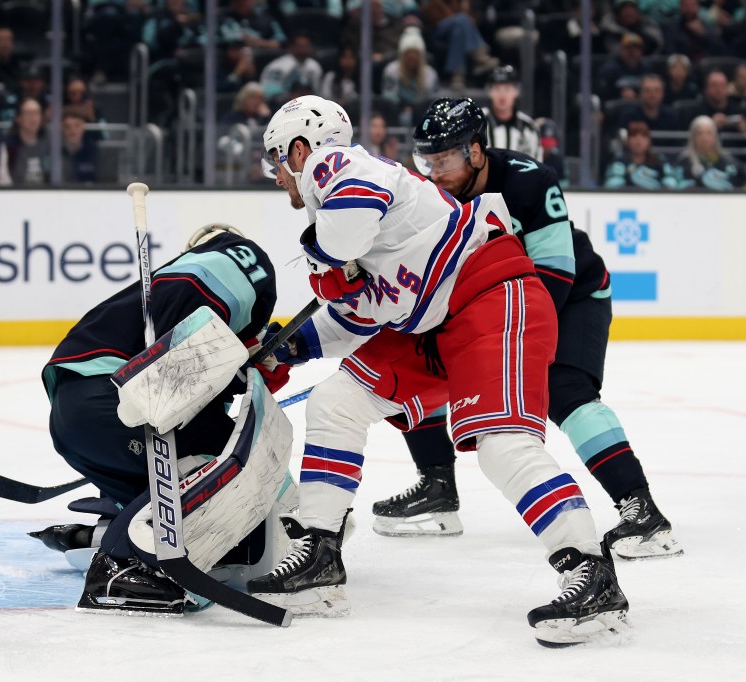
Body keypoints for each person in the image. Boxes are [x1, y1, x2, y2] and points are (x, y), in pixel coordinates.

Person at [252, 95, 630, 646]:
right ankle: (321, 558)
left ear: (300, 149)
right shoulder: (333, 206)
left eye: (277, 162)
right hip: (435, 321)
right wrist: (285, 348)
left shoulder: (339, 168)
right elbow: (358, 318)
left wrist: (324, 260)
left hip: (490, 295)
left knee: (503, 446)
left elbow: (345, 239)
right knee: (336, 402)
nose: (278, 177)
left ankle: (592, 575)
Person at [371, 97, 682, 564]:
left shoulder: (528, 179)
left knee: (565, 389)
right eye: (426, 161)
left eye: (445, 160)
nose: (434, 173)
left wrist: (514, 339)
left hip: (572, 295)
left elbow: (556, 273)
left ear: (476, 151)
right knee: (415, 358)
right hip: (489, 300)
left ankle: (642, 511)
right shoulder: (429, 192)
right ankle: (437, 486)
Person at [39, 224, 286, 616]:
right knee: (227, 457)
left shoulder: (167, 285)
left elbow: (182, 372)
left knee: (190, 455)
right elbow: (187, 391)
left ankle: (117, 524)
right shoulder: (248, 280)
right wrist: (243, 368)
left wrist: (238, 369)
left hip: (73, 413)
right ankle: (122, 564)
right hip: (115, 403)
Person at [381, 26, 440, 127]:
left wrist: (416, 109)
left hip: (422, 112)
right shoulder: (391, 71)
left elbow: (433, 99)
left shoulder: (430, 74)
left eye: (415, 53)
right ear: (403, 55)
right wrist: (403, 106)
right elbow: (388, 96)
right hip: (398, 110)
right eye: (408, 53)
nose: (412, 57)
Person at [483, 64, 541, 161]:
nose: (502, 95)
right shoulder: (476, 122)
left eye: (507, 89)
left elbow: (536, 167)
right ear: (489, 92)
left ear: (516, 91)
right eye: (497, 89)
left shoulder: (528, 127)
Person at [672, 115, 744, 190]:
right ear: (693, 137)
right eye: (699, 133)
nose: (704, 138)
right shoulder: (685, 161)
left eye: (708, 133)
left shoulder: (727, 160)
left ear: (715, 137)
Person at [604, 119, 679, 189]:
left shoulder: (659, 161)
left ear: (649, 141)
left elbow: (671, 182)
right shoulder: (619, 162)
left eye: (643, 136)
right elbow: (612, 185)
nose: (638, 140)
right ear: (627, 141)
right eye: (634, 136)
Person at [259, 33, 323, 105]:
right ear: (291, 47)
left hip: (308, 104)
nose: (303, 49)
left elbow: (318, 92)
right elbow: (269, 93)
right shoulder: (277, 66)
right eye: (300, 46)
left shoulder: (315, 67)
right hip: (281, 105)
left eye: (306, 46)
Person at [5, 97, 49, 185]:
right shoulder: (8, 147)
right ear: (18, 118)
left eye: (37, 113)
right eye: (29, 113)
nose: (33, 118)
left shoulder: (49, 145)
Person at [617, 73, 682, 132]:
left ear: (663, 93)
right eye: (647, 90)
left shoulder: (672, 116)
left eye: (656, 91)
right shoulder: (629, 116)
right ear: (640, 93)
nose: (652, 95)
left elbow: (678, 143)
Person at [596, 32, 650, 102]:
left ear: (641, 51)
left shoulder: (647, 69)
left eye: (636, 48)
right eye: (628, 48)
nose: (632, 52)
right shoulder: (609, 69)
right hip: (616, 107)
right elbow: (602, 94)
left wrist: (638, 95)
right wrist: (619, 94)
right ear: (621, 50)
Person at [61, 107, 99, 184]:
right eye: (67, 126)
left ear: (83, 126)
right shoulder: (54, 151)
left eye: (76, 125)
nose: (72, 130)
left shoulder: (94, 150)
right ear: (61, 128)